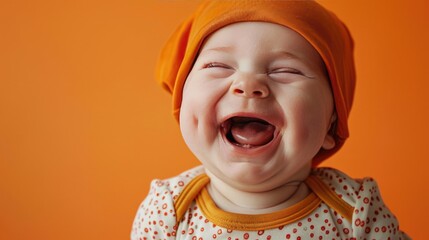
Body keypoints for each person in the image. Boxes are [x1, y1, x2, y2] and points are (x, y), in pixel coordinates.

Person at [131, 1, 410, 239]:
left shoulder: (355, 212)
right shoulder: (168, 211)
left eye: (286, 71)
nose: (248, 83)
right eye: (218, 66)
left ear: (331, 122)